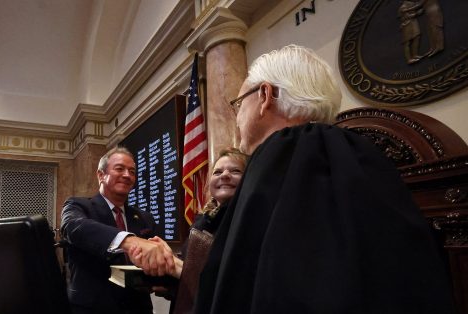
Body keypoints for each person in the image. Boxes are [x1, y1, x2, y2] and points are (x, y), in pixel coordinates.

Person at [193, 45, 454, 313]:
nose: (236, 118)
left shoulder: (279, 153)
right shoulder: (360, 151)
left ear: (265, 95)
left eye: (238, 104)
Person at [131, 148, 248, 313]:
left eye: (236, 171)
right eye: (217, 172)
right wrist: (164, 267)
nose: (225, 175)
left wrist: (173, 265)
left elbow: (229, 284)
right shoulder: (201, 223)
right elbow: (189, 279)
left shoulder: (250, 222)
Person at [61, 146, 174, 314]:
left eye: (132, 171)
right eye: (119, 169)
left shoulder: (144, 218)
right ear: (101, 175)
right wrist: (127, 240)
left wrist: (164, 282)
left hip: (138, 308)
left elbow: (155, 259)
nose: (127, 175)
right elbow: (73, 227)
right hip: (93, 308)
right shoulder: (78, 206)